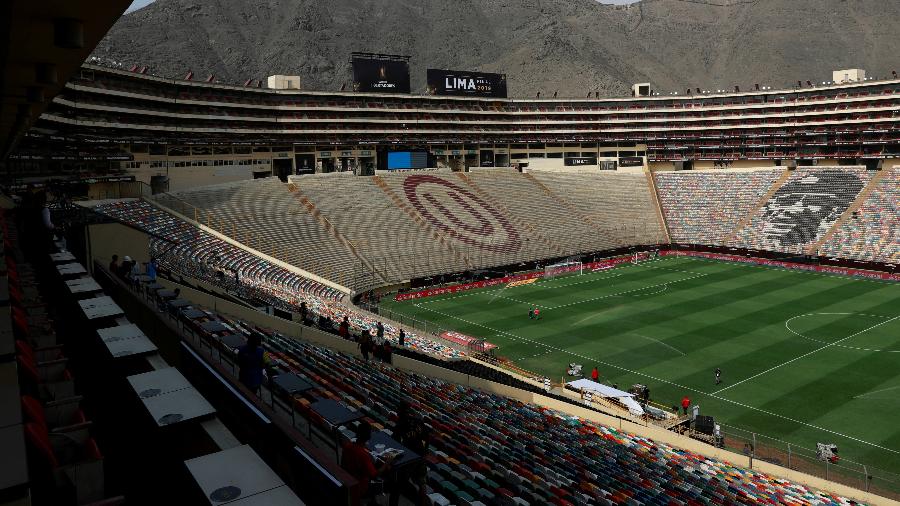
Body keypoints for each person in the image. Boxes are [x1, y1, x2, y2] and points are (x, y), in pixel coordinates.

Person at [341, 421, 394, 506]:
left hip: (348, 478)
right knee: (391, 483)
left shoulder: (347, 446)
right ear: (368, 436)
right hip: (361, 487)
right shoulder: (363, 455)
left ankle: (372, 501)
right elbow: (375, 475)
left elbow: (342, 464)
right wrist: (387, 463)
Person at [390, 404, 428, 506]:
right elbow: (427, 437)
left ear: (400, 413)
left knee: (399, 484)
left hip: (409, 458)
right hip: (419, 455)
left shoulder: (400, 425)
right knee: (422, 483)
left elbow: (393, 442)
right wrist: (425, 452)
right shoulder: (418, 421)